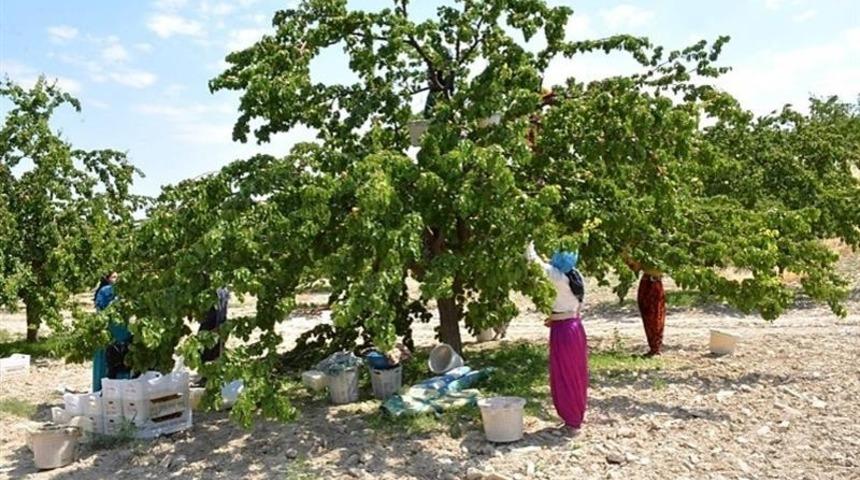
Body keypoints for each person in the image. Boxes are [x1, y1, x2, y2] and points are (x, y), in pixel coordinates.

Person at [526, 242, 588, 429]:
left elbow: (532, 259)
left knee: (564, 374)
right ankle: (576, 414)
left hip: (563, 330)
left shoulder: (557, 276)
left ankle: (571, 419)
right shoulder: (576, 275)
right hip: (575, 327)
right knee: (576, 372)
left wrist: (529, 238)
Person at [92, 271, 133, 392]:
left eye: (118, 277)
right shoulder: (105, 290)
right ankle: (103, 389)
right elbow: (100, 309)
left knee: (123, 357)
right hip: (111, 329)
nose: (117, 279)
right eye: (114, 277)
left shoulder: (126, 290)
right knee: (109, 358)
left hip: (123, 329)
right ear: (108, 278)